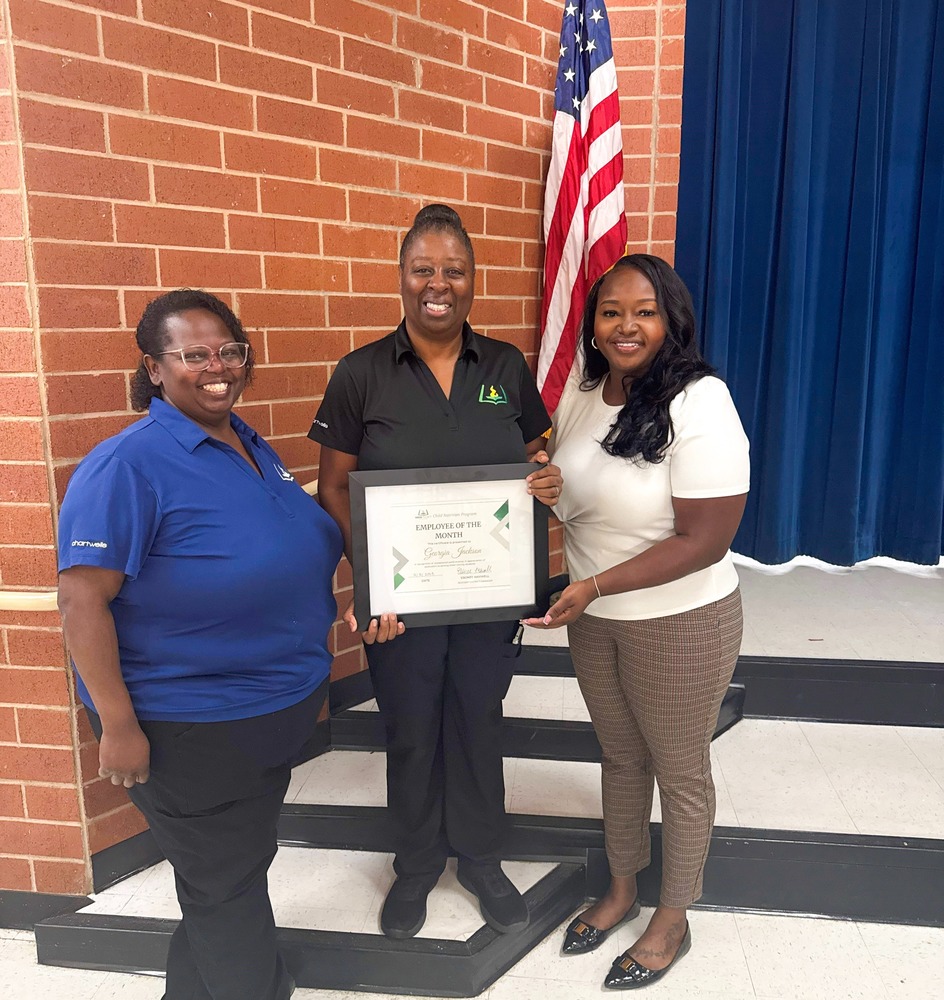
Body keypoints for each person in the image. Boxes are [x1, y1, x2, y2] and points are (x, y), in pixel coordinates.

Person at [57, 289, 342, 1000]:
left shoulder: (245, 441)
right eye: (193, 355)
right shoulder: (128, 464)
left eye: (228, 351)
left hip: (263, 713)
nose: (216, 367)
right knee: (227, 889)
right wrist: (117, 725)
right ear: (155, 369)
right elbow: (82, 600)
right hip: (187, 724)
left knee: (225, 875)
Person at [309, 204, 562, 940]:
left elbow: (536, 460)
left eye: (454, 269)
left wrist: (544, 480)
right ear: (401, 277)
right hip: (403, 605)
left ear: (473, 280)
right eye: (424, 269)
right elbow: (333, 486)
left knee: (478, 721)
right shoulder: (360, 374)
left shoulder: (507, 367)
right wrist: (372, 580)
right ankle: (417, 863)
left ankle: (482, 858)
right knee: (411, 728)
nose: (438, 284)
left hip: (488, 596)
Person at [522, 255, 749, 990]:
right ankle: (622, 889)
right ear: (593, 323)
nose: (625, 326)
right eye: (611, 311)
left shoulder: (701, 400)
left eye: (643, 311)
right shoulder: (586, 390)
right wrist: (549, 489)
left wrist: (593, 585)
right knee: (620, 759)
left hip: (679, 620)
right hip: (599, 617)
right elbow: (585, 500)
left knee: (680, 773)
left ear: (670, 319)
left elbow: (703, 539)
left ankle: (671, 918)